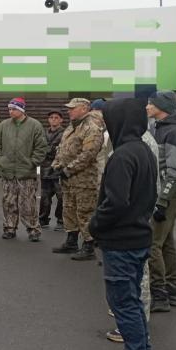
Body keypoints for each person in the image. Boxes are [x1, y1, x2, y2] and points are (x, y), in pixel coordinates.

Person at [90, 98, 157, 350]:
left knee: (124, 305)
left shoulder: (122, 156)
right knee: (133, 304)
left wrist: (94, 225)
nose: (106, 123)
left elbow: (115, 203)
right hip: (139, 237)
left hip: (121, 242)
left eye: (109, 118)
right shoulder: (144, 151)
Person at [146, 91, 176, 312]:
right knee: (165, 242)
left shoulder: (174, 132)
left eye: (151, 104)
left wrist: (162, 201)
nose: (147, 107)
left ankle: (160, 293)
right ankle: (173, 290)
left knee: (152, 242)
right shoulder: (161, 127)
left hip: (170, 193)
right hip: (166, 192)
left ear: (161, 107)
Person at [50, 98, 104, 261]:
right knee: (69, 209)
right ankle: (71, 241)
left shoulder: (91, 128)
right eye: (69, 108)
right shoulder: (71, 127)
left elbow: (88, 154)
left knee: (85, 212)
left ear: (84, 109)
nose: (69, 111)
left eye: (73, 108)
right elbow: (62, 149)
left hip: (84, 180)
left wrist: (68, 169)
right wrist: (56, 165)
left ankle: (88, 246)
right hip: (68, 180)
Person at [0, 97, 49, 242]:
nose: (10, 111)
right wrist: (0, 160)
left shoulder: (34, 125)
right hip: (8, 172)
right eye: (9, 109)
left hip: (26, 173)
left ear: (22, 109)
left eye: (14, 109)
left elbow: (41, 147)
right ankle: (9, 228)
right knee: (9, 202)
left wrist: (33, 162)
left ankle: (33, 229)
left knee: (28, 203)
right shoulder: (3, 126)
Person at [39, 110, 65, 231]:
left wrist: (48, 150)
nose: (53, 119)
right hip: (45, 170)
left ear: (61, 120)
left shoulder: (65, 133)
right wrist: (51, 149)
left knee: (61, 197)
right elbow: (40, 148)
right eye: (51, 117)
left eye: (56, 117)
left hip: (58, 169)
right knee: (45, 197)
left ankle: (61, 220)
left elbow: (60, 151)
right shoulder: (43, 133)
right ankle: (43, 219)